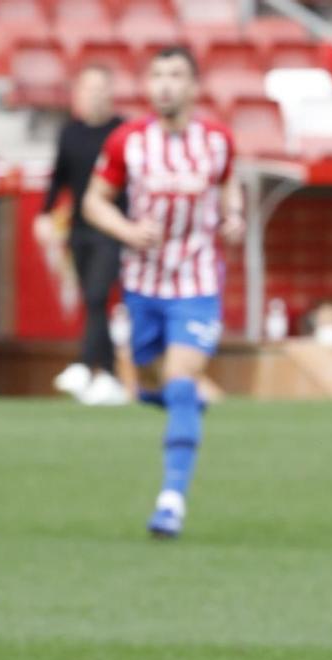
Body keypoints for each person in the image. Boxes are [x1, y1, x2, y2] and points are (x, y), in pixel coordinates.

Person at [82, 45, 244, 539]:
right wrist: (128, 231)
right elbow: (93, 201)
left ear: (194, 86)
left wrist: (234, 216)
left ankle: (171, 500)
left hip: (195, 281)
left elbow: (228, 184)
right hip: (143, 282)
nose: (166, 85)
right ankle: (180, 405)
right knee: (149, 379)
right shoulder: (127, 141)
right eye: (158, 76)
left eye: (176, 75)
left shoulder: (216, 140)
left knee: (179, 381)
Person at [39, 65, 129, 408]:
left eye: (100, 88)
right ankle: (108, 376)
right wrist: (45, 213)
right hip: (79, 229)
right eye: (88, 89)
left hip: (112, 227)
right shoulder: (70, 133)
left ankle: (82, 365)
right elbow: (58, 176)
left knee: (96, 295)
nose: (95, 95)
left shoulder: (122, 132)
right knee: (92, 302)